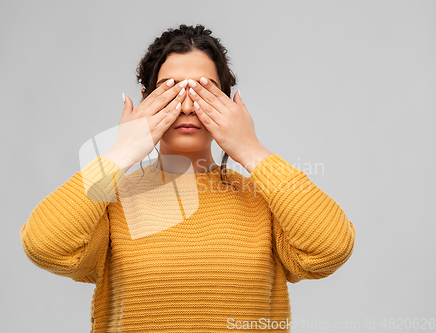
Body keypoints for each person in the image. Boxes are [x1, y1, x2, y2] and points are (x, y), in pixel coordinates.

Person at [20, 24, 356, 332]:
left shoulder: (266, 199)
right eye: (170, 90)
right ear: (145, 101)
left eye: (204, 92)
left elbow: (331, 249)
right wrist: (120, 152)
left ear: (229, 103)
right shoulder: (109, 199)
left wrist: (251, 149)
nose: (186, 107)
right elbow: (45, 246)